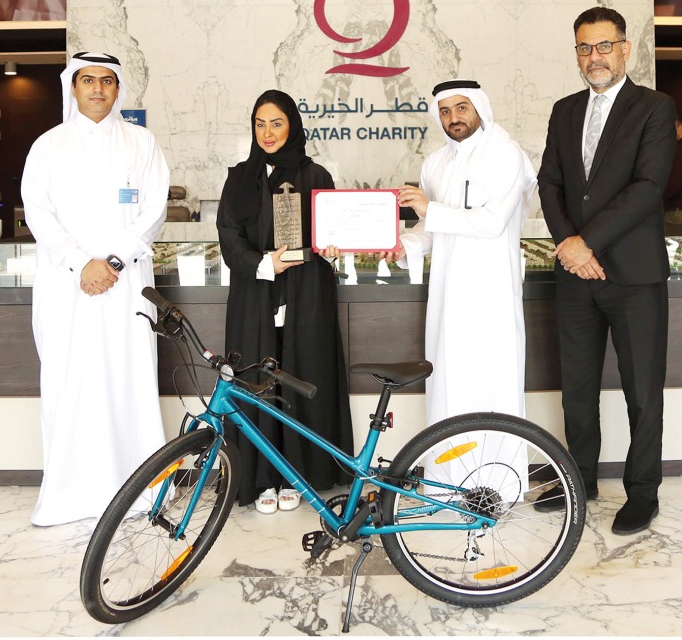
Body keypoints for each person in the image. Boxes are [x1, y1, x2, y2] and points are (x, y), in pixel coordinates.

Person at [536, 6, 676, 536]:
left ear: (625, 49)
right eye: (584, 48)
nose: (594, 56)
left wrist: (583, 241)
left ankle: (643, 493)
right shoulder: (564, 110)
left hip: (634, 276)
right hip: (576, 278)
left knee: (643, 390)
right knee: (576, 388)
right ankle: (581, 481)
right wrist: (567, 245)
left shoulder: (654, 108)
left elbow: (647, 187)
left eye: (603, 46)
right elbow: (550, 183)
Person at [20, 51, 170, 526]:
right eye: (89, 80)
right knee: (72, 382)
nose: (98, 89)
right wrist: (79, 263)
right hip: (67, 290)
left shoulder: (141, 144)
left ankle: (139, 492)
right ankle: (70, 494)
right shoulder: (48, 146)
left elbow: (154, 211)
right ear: (73, 86)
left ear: (118, 88)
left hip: (124, 287)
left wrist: (110, 262)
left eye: (107, 81)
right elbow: (38, 213)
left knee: (128, 381)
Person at [216, 90, 353, 514]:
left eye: (276, 123)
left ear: (292, 124)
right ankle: (260, 479)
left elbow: (330, 233)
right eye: (260, 123)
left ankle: (299, 473)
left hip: (306, 294)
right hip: (255, 293)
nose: (268, 132)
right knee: (257, 378)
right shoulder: (239, 178)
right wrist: (263, 264)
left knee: (300, 374)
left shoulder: (317, 175)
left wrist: (334, 247)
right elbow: (228, 237)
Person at [381, 80, 537, 430]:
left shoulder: (505, 154)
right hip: (447, 300)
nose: (454, 117)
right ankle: (444, 484)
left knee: (494, 390)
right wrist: (403, 245)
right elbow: (432, 229)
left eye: (461, 107)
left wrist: (429, 207)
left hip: (491, 298)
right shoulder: (435, 164)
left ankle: (499, 484)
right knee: (448, 386)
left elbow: (492, 223)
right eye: (445, 111)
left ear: (479, 108)